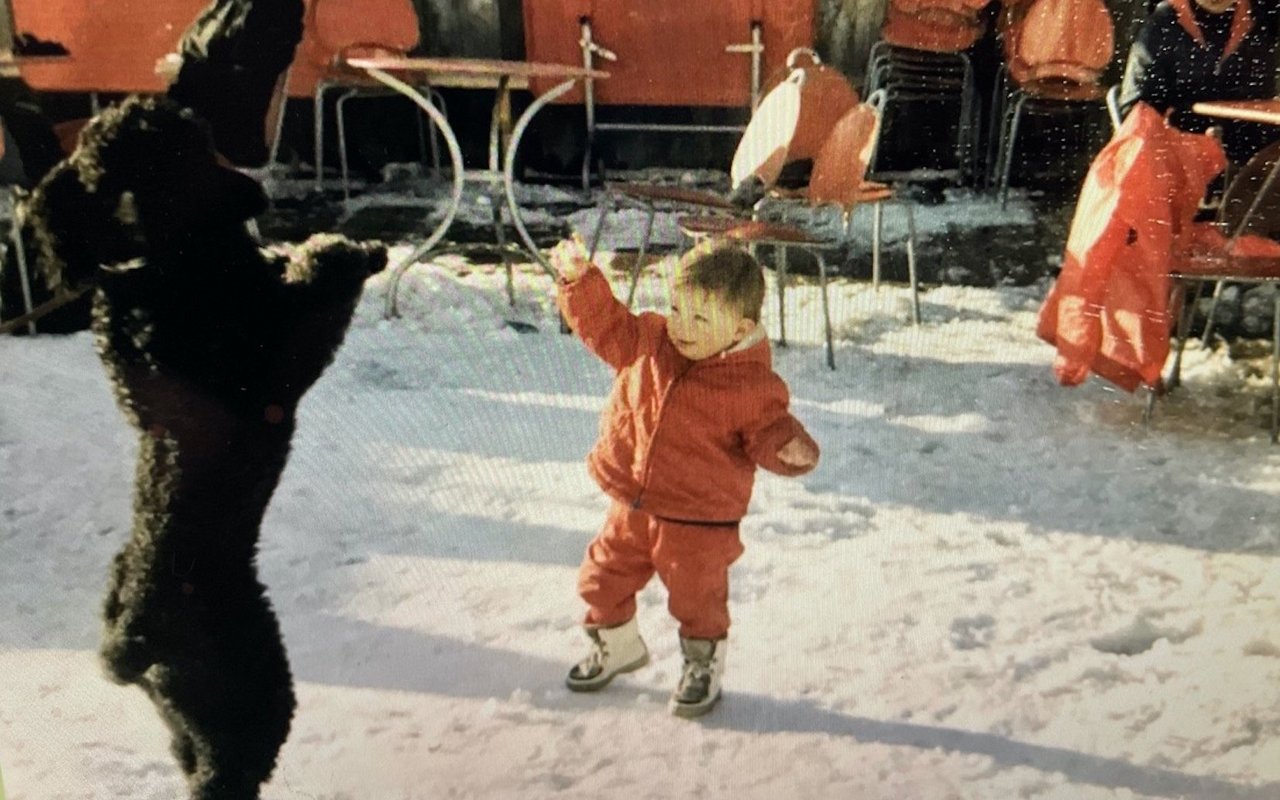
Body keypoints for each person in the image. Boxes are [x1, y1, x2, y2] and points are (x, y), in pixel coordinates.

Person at [550, 238, 820, 718]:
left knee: (697, 598)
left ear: (740, 328)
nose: (681, 325)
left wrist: (787, 448)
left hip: (699, 519)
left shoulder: (750, 386)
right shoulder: (650, 340)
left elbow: (768, 431)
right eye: (677, 308)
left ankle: (702, 663)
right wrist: (580, 281)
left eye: (700, 319)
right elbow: (604, 323)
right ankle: (617, 646)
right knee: (601, 578)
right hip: (633, 501)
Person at [1117, 0, 1280, 164]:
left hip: (1252, 151)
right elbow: (1136, 110)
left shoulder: (1263, 16)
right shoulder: (1162, 24)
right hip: (1180, 158)